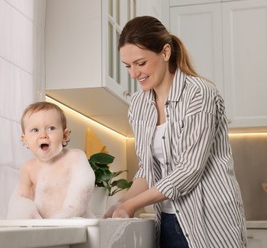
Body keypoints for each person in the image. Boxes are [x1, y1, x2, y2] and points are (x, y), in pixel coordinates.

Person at [104, 16, 247, 248]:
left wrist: (132, 206)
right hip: (168, 220)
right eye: (128, 66)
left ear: (165, 52)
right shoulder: (139, 104)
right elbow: (148, 169)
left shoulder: (199, 93)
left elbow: (189, 169)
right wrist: (121, 202)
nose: (133, 74)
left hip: (210, 221)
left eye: (141, 63)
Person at [7, 101, 95, 219]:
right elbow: (22, 199)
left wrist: (62, 218)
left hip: (71, 224)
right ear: (25, 140)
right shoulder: (28, 168)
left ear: (65, 136)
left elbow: (78, 200)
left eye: (51, 128)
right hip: (44, 229)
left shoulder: (74, 158)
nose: (43, 135)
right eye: (35, 130)